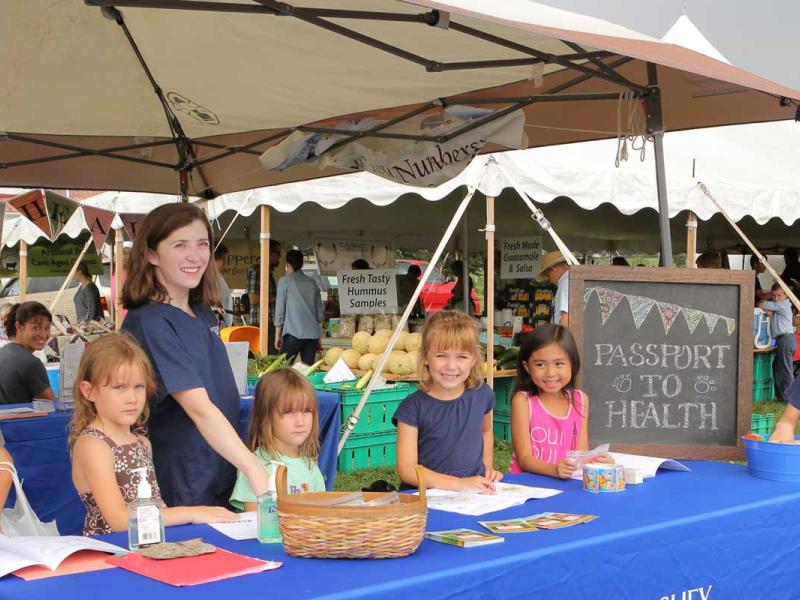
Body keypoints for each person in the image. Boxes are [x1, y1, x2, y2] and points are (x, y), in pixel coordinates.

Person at [121, 203, 269, 507]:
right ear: (151, 254)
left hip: (220, 465)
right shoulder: (150, 321)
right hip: (183, 474)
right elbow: (198, 408)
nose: (195, 256)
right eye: (180, 245)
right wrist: (254, 467)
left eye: (202, 244)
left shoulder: (202, 314)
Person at [69, 334, 237, 535]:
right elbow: (120, 520)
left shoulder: (142, 443)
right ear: (89, 391)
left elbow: (153, 507)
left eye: (138, 387)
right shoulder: (93, 445)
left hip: (150, 546)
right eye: (119, 387)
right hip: (112, 553)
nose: (132, 398)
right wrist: (193, 512)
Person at [393, 310, 502, 492]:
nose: (451, 366)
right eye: (441, 355)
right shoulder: (412, 408)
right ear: (426, 356)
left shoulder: (483, 395)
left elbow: (486, 431)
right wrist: (458, 484)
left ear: (473, 359)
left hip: (473, 495)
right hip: (427, 496)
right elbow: (407, 470)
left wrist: (487, 468)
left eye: (462, 356)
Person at [509, 324, 610, 479]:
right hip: (529, 486)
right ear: (527, 367)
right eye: (540, 364)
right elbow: (524, 459)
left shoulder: (581, 400)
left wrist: (595, 461)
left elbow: (580, 453)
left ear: (572, 364)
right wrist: (555, 469)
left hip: (566, 487)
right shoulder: (523, 401)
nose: (550, 373)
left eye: (559, 364)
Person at [230, 368, 324, 510]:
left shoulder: (310, 466)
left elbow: (321, 513)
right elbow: (254, 521)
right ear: (265, 417)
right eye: (289, 412)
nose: (300, 422)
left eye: (306, 411)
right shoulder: (255, 466)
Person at [274, 249, 324, 365]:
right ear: (302, 264)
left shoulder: (284, 281)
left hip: (293, 333)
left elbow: (280, 310)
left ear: (287, 264)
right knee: (307, 372)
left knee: (283, 370)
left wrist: (277, 336)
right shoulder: (312, 283)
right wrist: (319, 337)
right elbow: (320, 314)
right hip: (312, 335)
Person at [0, 301, 55, 404]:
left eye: (47, 328)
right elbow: (51, 404)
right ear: (19, 326)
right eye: (36, 327)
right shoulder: (31, 364)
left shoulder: (3, 352)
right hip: (19, 420)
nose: (44, 335)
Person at [760, 283, 796, 402]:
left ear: (786, 296)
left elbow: (760, 303)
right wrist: (771, 313)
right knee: (779, 368)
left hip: (785, 339)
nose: (776, 298)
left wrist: (767, 302)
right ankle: (782, 397)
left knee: (785, 370)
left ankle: (790, 400)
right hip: (783, 340)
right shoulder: (779, 307)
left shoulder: (782, 305)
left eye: (779, 295)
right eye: (774, 296)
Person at [247, 239, 282, 353]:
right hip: (262, 323)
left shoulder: (266, 271)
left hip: (269, 322)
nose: (279, 257)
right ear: (270, 253)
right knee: (266, 360)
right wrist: (277, 299)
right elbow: (253, 298)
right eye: (278, 254)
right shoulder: (257, 271)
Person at [536, 250, 570, 327]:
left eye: (548, 276)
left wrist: (560, 338)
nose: (550, 281)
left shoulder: (565, 283)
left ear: (553, 269)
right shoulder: (572, 280)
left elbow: (566, 317)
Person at [214, 243, 233, 327]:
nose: (225, 262)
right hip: (214, 323)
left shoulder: (218, 277)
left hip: (222, 323)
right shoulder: (206, 278)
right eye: (223, 258)